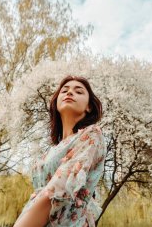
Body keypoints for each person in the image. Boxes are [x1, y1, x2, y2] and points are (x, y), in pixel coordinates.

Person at [13, 75, 106, 227]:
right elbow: (39, 195)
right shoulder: (51, 151)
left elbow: (58, 188)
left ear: (89, 107)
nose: (69, 93)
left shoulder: (91, 134)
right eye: (64, 90)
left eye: (78, 91)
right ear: (56, 102)